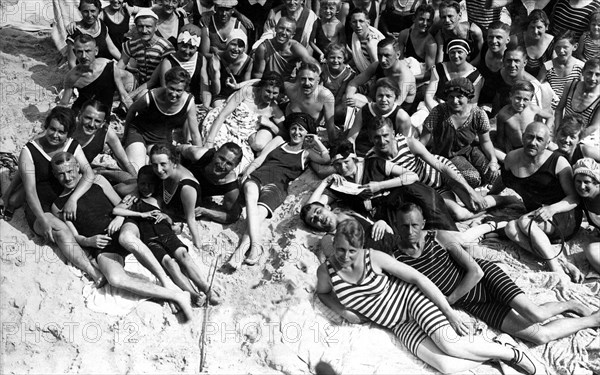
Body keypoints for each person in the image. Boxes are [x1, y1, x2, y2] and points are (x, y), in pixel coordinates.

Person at [316, 218, 546, 375]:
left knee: (450, 345)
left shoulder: (373, 257)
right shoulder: (326, 271)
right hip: (395, 323)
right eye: (340, 249)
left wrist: (449, 312)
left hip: (409, 301)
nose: (345, 256)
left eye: (352, 250)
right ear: (333, 245)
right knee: (445, 365)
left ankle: (512, 353)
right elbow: (323, 293)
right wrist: (343, 311)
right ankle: (497, 348)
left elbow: (419, 279)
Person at [392, 203, 600, 345]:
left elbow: (476, 271)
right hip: (474, 304)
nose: (410, 231)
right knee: (539, 336)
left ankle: (571, 305)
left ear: (423, 224)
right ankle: (589, 319)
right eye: (404, 226)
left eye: (415, 225)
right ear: (396, 226)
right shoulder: (397, 259)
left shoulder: (439, 238)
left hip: (486, 280)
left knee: (536, 314)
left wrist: (451, 300)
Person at [49, 153, 194, 321]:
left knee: (127, 239)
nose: (67, 177)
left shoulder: (97, 181)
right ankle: (174, 295)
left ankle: (165, 281)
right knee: (115, 279)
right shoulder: (58, 205)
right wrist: (88, 241)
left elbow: (121, 203)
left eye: (70, 171)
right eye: (61, 173)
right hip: (101, 243)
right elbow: (75, 236)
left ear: (77, 167)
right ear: (54, 174)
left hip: (123, 226)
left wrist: (119, 217)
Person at [225, 113, 331, 269]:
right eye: (294, 128)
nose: (296, 132)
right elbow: (260, 158)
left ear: (306, 133)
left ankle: (240, 251)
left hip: (277, 186)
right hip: (258, 176)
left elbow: (326, 158)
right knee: (250, 193)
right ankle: (255, 246)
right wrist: (248, 172)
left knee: (258, 214)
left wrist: (315, 140)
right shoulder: (279, 141)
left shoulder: (306, 153)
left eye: (301, 130)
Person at [17, 107, 103, 285]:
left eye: (61, 132)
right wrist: (42, 219)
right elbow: (30, 191)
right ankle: (93, 272)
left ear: (68, 133)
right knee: (62, 232)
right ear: (46, 126)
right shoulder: (29, 151)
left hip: (66, 200)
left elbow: (88, 174)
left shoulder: (72, 146)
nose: (55, 135)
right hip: (42, 207)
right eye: (52, 129)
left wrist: (73, 199)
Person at [113, 165, 222, 305]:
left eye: (150, 184)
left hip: (165, 231)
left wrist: (166, 217)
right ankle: (193, 295)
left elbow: (171, 221)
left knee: (183, 256)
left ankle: (208, 290)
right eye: (142, 184)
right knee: (170, 264)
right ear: (137, 183)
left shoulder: (159, 198)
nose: (146, 188)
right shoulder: (132, 199)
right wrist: (140, 214)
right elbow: (117, 210)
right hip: (149, 238)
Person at [501, 122, 583, 282]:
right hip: (537, 219)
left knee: (524, 222)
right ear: (523, 136)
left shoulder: (558, 162)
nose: (533, 142)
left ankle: (556, 270)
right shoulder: (511, 158)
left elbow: (574, 198)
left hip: (564, 217)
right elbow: (503, 179)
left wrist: (552, 209)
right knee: (511, 228)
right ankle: (561, 263)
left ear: (547, 143)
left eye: (539, 139)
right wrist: (489, 196)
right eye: (530, 137)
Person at [422, 78, 500, 188]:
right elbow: (423, 141)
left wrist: (493, 160)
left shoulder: (478, 114)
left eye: (459, 96)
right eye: (451, 97)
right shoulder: (438, 112)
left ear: (468, 97)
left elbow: (486, 141)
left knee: (492, 174)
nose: (454, 101)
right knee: (472, 178)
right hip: (447, 156)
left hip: (470, 150)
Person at [202, 71, 285, 172]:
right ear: (261, 87)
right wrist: (210, 141)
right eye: (268, 91)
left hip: (241, 138)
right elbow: (223, 115)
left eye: (275, 93)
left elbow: (285, 134)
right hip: (224, 124)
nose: (271, 96)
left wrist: (271, 125)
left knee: (240, 165)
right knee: (215, 153)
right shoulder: (248, 91)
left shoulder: (273, 109)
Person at [123, 66, 201, 171]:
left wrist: (200, 158)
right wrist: (125, 136)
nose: (174, 94)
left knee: (165, 170)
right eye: (171, 88)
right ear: (166, 84)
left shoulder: (189, 102)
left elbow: (195, 134)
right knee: (137, 170)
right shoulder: (152, 96)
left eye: (179, 91)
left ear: (185, 89)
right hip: (139, 132)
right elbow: (132, 110)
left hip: (161, 140)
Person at [59, 34, 132, 115]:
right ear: (74, 52)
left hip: (102, 114)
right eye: (80, 52)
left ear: (96, 51)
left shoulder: (109, 67)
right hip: (82, 112)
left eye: (88, 51)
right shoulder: (72, 77)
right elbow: (63, 104)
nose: (84, 56)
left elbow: (124, 95)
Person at [72, 100, 137, 189]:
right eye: (88, 118)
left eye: (97, 121)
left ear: (103, 123)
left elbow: (125, 163)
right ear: (79, 116)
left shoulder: (106, 133)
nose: (91, 124)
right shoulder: (67, 127)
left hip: (86, 175)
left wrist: (137, 182)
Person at [145, 24, 210, 108]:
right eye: (184, 46)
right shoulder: (168, 61)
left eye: (191, 48)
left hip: (195, 103)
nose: (187, 51)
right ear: (178, 44)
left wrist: (206, 106)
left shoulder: (201, 59)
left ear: (196, 48)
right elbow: (166, 88)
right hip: (174, 102)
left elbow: (205, 87)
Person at [345, 37, 417, 113]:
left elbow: (392, 108)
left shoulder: (405, 77)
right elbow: (353, 83)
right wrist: (349, 99)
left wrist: (361, 104)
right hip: (378, 105)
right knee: (349, 100)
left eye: (387, 55)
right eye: (379, 55)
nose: (382, 60)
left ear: (398, 55)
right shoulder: (376, 66)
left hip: (396, 115)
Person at [178, 142, 243, 224]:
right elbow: (177, 150)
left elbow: (232, 216)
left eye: (229, 163)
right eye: (221, 158)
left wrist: (205, 211)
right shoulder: (199, 154)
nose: (222, 165)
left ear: (235, 166)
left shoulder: (230, 186)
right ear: (215, 154)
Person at [348, 78, 413, 156]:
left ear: (395, 98)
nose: (383, 100)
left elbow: (403, 145)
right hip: (361, 151)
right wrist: (352, 156)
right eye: (380, 95)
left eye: (388, 96)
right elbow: (351, 138)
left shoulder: (402, 117)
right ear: (375, 96)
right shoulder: (364, 111)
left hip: (386, 155)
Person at [118, 9, 175, 96]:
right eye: (140, 26)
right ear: (136, 27)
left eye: (148, 26)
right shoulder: (131, 44)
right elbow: (120, 68)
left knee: (142, 95)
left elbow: (158, 80)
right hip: (139, 82)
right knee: (117, 73)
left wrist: (130, 96)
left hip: (158, 86)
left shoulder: (165, 47)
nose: (144, 30)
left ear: (156, 27)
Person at [495, 81, 553, 159]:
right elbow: (500, 139)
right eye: (518, 98)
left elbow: (550, 117)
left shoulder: (533, 109)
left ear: (531, 99)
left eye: (525, 99)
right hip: (516, 149)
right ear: (511, 96)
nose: (521, 103)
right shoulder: (503, 114)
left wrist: (546, 132)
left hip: (534, 146)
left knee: (554, 149)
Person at [424, 38, 483, 112]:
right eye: (452, 52)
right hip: (436, 107)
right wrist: (438, 112)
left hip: (460, 112)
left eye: (460, 52)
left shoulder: (475, 76)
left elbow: (472, 104)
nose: (456, 56)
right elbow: (428, 95)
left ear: (467, 53)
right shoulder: (439, 69)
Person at [284, 62, 337, 142]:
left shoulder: (325, 96)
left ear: (318, 80)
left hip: (312, 134)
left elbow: (330, 127)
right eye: (303, 79)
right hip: (290, 131)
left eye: (311, 79)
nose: (307, 83)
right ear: (298, 79)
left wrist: (333, 147)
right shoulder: (289, 89)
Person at [66, 0, 121, 69]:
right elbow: (72, 63)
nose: (89, 15)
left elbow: (112, 48)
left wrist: (125, 63)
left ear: (99, 11)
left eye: (93, 11)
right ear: (80, 11)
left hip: (103, 68)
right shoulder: (74, 32)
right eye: (85, 11)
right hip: (85, 72)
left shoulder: (101, 24)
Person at [207, 29, 253, 107]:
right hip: (220, 97)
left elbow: (245, 89)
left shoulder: (248, 62)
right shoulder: (217, 58)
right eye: (233, 44)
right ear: (227, 44)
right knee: (219, 108)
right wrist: (215, 73)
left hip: (238, 96)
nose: (236, 49)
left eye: (240, 46)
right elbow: (216, 92)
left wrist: (236, 88)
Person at [540, 30, 584, 109]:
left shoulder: (580, 67)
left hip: (571, 107)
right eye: (558, 47)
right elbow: (537, 86)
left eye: (565, 47)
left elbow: (584, 89)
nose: (561, 51)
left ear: (575, 47)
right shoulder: (548, 66)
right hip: (550, 106)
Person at [476, 21, 511, 113]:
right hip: (480, 98)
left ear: (507, 40)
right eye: (490, 37)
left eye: (498, 37)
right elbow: (473, 65)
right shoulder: (485, 48)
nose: (494, 41)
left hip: (501, 105)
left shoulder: (511, 60)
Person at [555, 58, 600, 129]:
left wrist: (575, 139)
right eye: (589, 73)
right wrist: (558, 131)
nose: (592, 78)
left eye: (597, 75)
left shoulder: (598, 99)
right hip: (564, 129)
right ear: (583, 72)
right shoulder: (571, 86)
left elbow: (593, 127)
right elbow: (559, 110)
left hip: (584, 134)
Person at [396, 4, 437, 82]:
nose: (425, 23)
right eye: (421, 19)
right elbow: (399, 60)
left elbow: (429, 73)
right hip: (403, 72)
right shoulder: (404, 34)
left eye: (428, 20)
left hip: (419, 80)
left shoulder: (430, 44)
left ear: (432, 22)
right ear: (414, 18)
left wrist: (410, 78)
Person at [434, 0, 483, 65]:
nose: (447, 20)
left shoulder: (474, 31)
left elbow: (481, 54)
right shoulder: (441, 35)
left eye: (450, 16)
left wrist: (467, 69)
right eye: (443, 17)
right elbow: (440, 60)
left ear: (459, 15)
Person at [572, 158, 600, 273]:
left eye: (586, 182)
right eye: (578, 181)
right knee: (591, 250)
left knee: (592, 249)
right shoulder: (584, 199)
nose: (582, 186)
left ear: (596, 182)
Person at [320, 43, 356, 125]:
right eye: (332, 57)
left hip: (338, 102)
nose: (336, 61)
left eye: (339, 58)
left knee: (341, 108)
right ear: (327, 58)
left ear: (344, 58)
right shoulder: (323, 68)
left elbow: (339, 96)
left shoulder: (348, 73)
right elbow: (319, 90)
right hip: (325, 100)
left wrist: (328, 115)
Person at [516, 10, 554, 80]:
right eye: (532, 27)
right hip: (520, 79)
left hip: (543, 82)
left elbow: (554, 69)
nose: (535, 31)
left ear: (546, 27)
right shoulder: (518, 40)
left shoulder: (552, 43)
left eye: (539, 27)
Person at [347, 7, 384, 73]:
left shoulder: (372, 42)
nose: (358, 25)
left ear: (368, 22)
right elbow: (357, 59)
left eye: (361, 21)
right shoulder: (355, 35)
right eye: (354, 22)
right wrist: (345, 67)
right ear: (350, 24)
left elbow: (378, 68)